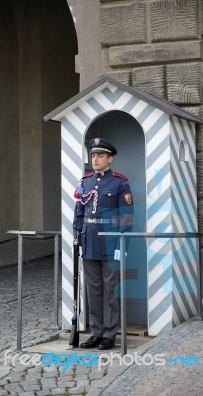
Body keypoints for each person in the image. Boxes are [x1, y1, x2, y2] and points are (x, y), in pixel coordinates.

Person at [73, 138, 133, 350]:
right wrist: (77, 236)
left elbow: (125, 217)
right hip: (89, 241)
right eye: (93, 155)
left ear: (110, 158)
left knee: (110, 290)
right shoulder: (85, 181)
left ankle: (109, 334)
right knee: (94, 289)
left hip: (110, 242)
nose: (95, 159)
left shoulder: (119, 182)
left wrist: (121, 245)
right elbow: (79, 212)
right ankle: (96, 333)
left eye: (100, 155)